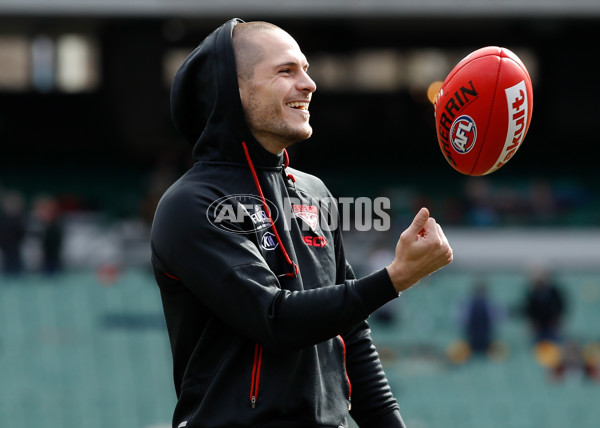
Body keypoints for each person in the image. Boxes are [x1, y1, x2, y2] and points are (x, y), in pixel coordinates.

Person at [151, 18, 453, 428]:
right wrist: (393, 278)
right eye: (286, 71)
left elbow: (352, 337)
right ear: (233, 91)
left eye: (306, 69)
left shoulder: (314, 193)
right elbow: (274, 319)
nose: (309, 84)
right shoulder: (190, 204)